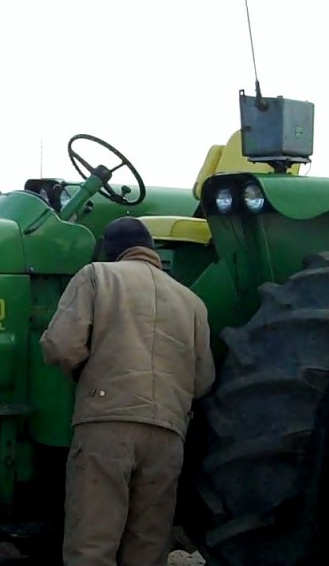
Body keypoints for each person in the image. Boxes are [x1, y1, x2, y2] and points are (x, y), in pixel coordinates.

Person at [39, 216, 215, 566]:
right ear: (151, 250)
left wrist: (88, 374)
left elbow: (60, 345)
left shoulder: (97, 276)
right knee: (149, 547)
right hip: (168, 434)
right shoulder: (192, 302)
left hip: (107, 425)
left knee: (92, 543)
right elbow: (202, 381)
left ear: (112, 250)